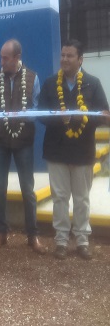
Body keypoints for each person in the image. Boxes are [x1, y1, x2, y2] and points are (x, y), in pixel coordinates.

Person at [38, 39, 110, 260]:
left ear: (80, 59)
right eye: (62, 55)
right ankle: (60, 240)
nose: (64, 60)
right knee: (60, 197)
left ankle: (82, 240)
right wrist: (58, 119)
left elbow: (103, 114)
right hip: (56, 150)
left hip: (82, 150)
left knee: (81, 198)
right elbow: (41, 114)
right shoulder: (50, 84)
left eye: (69, 56)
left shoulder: (93, 83)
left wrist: (92, 118)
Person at [0, 39, 46, 254]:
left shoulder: (32, 78)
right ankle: (1, 233)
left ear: (17, 58)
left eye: (5, 58)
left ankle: (33, 235)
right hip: (0, 140)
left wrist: (24, 115)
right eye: (1, 57)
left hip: (23, 141)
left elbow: (37, 109)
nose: (1, 62)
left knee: (27, 190)